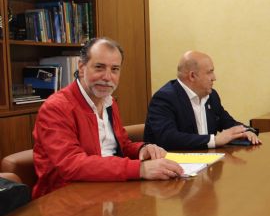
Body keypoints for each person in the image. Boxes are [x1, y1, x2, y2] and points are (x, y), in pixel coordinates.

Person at [32, 37, 184, 199]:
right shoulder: (56, 107)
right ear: (82, 68)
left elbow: (121, 146)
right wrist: (140, 168)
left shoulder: (108, 101)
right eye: (99, 67)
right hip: (66, 198)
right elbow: (71, 164)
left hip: (109, 189)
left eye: (114, 69)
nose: (107, 77)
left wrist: (143, 149)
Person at [144, 50, 260, 150]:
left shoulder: (211, 96)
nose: (214, 78)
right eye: (210, 72)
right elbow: (168, 138)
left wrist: (246, 131)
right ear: (192, 76)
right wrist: (214, 140)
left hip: (207, 161)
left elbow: (228, 123)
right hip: (174, 164)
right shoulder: (165, 98)